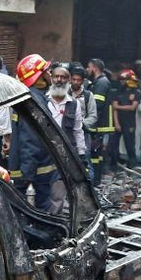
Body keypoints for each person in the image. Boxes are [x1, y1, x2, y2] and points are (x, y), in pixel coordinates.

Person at [7, 54, 57, 210]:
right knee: (36, 212)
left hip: (31, 168)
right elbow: (30, 139)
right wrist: (27, 174)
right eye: (46, 71)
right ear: (39, 76)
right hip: (34, 170)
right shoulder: (33, 101)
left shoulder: (32, 98)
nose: (50, 74)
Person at [45, 65, 85, 211]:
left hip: (64, 154)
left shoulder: (74, 104)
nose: (59, 80)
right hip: (44, 154)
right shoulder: (43, 101)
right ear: (51, 78)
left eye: (63, 77)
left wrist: (81, 154)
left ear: (68, 80)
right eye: (56, 76)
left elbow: (78, 131)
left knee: (58, 193)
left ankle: (53, 220)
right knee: (42, 192)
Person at [85, 58, 115, 182]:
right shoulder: (98, 82)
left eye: (88, 67)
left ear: (94, 68)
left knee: (97, 152)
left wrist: (87, 117)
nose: (87, 69)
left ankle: (96, 179)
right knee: (96, 153)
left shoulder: (101, 83)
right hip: (99, 124)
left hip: (101, 124)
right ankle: (96, 179)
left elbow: (98, 104)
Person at [112, 69, 140, 163]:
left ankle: (132, 163)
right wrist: (116, 123)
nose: (121, 82)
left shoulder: (136, 92)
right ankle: (115, 164)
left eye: (123, 80)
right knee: (113, 145)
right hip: (119, 121)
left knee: (129, 144)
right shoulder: (118, 92)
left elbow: (133, 107)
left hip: (129, 122)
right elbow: (114, 109)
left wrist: (118, 106)